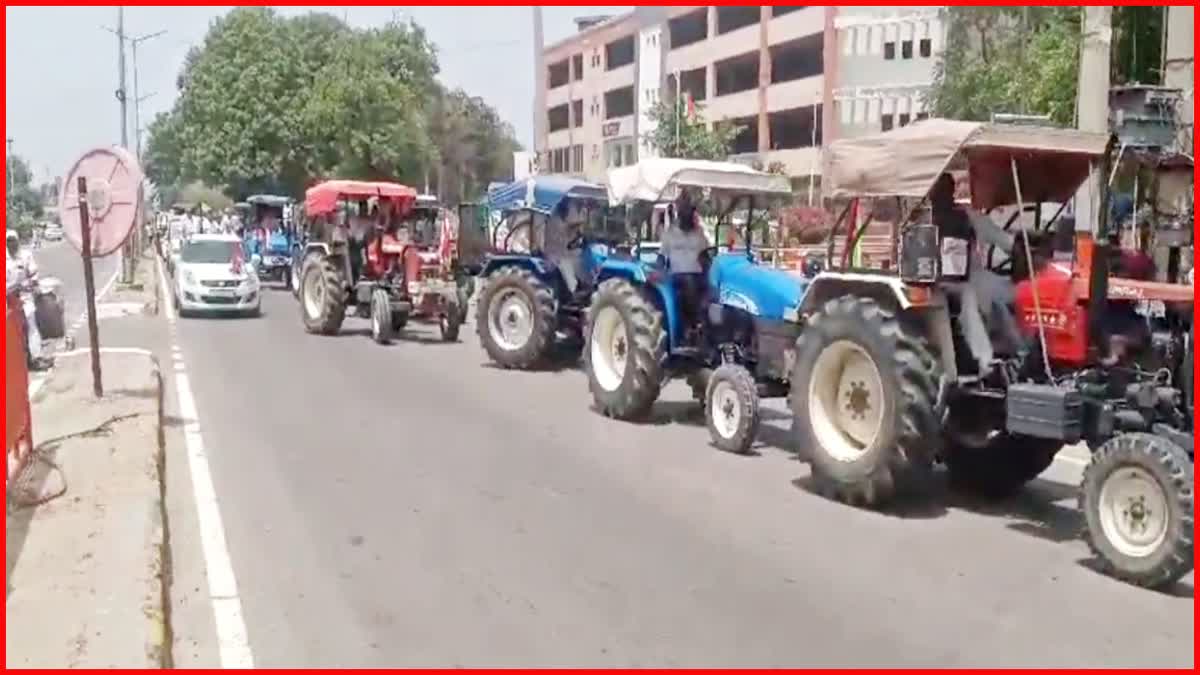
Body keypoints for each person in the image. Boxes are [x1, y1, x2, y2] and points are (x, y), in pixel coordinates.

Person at [929, 173, 1022, 373]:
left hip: (971, 277)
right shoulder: (923, 220)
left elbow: (1005, 242)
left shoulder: (968, 216)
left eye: (945, 189)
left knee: (1015, 293)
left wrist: (1022, 248)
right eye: (937, 190)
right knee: (972, 296)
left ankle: (1019, 352)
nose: (940, 194)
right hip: (945, 282)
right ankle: (986, 362)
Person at [661, 189, 710, 338]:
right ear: (679, 213)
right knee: (689, 283)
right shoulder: (670, 233)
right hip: (677, 275)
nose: (688, 214)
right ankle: (693, 324)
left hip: (698, 274)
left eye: (691, 210)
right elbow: (662, 256)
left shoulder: (700, 233)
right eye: (685, 210)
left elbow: (706, 256)